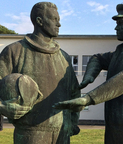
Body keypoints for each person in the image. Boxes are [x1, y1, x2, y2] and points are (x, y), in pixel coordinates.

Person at [54, 4, 123, 144]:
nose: (116, 28)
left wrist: (88, 99)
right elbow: (97, 58)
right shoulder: (120, 51)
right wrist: (89, 76)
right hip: (114, 125)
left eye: (120, 23)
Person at [0, 2, 80, 144]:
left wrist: (72, 122)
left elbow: (74, 93)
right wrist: (3, 107)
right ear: (39, 21)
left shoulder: (64, 57)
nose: (59, 24)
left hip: (61, 133)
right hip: (29, 133)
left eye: (59, 20)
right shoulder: (14, 51)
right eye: (55, 20)